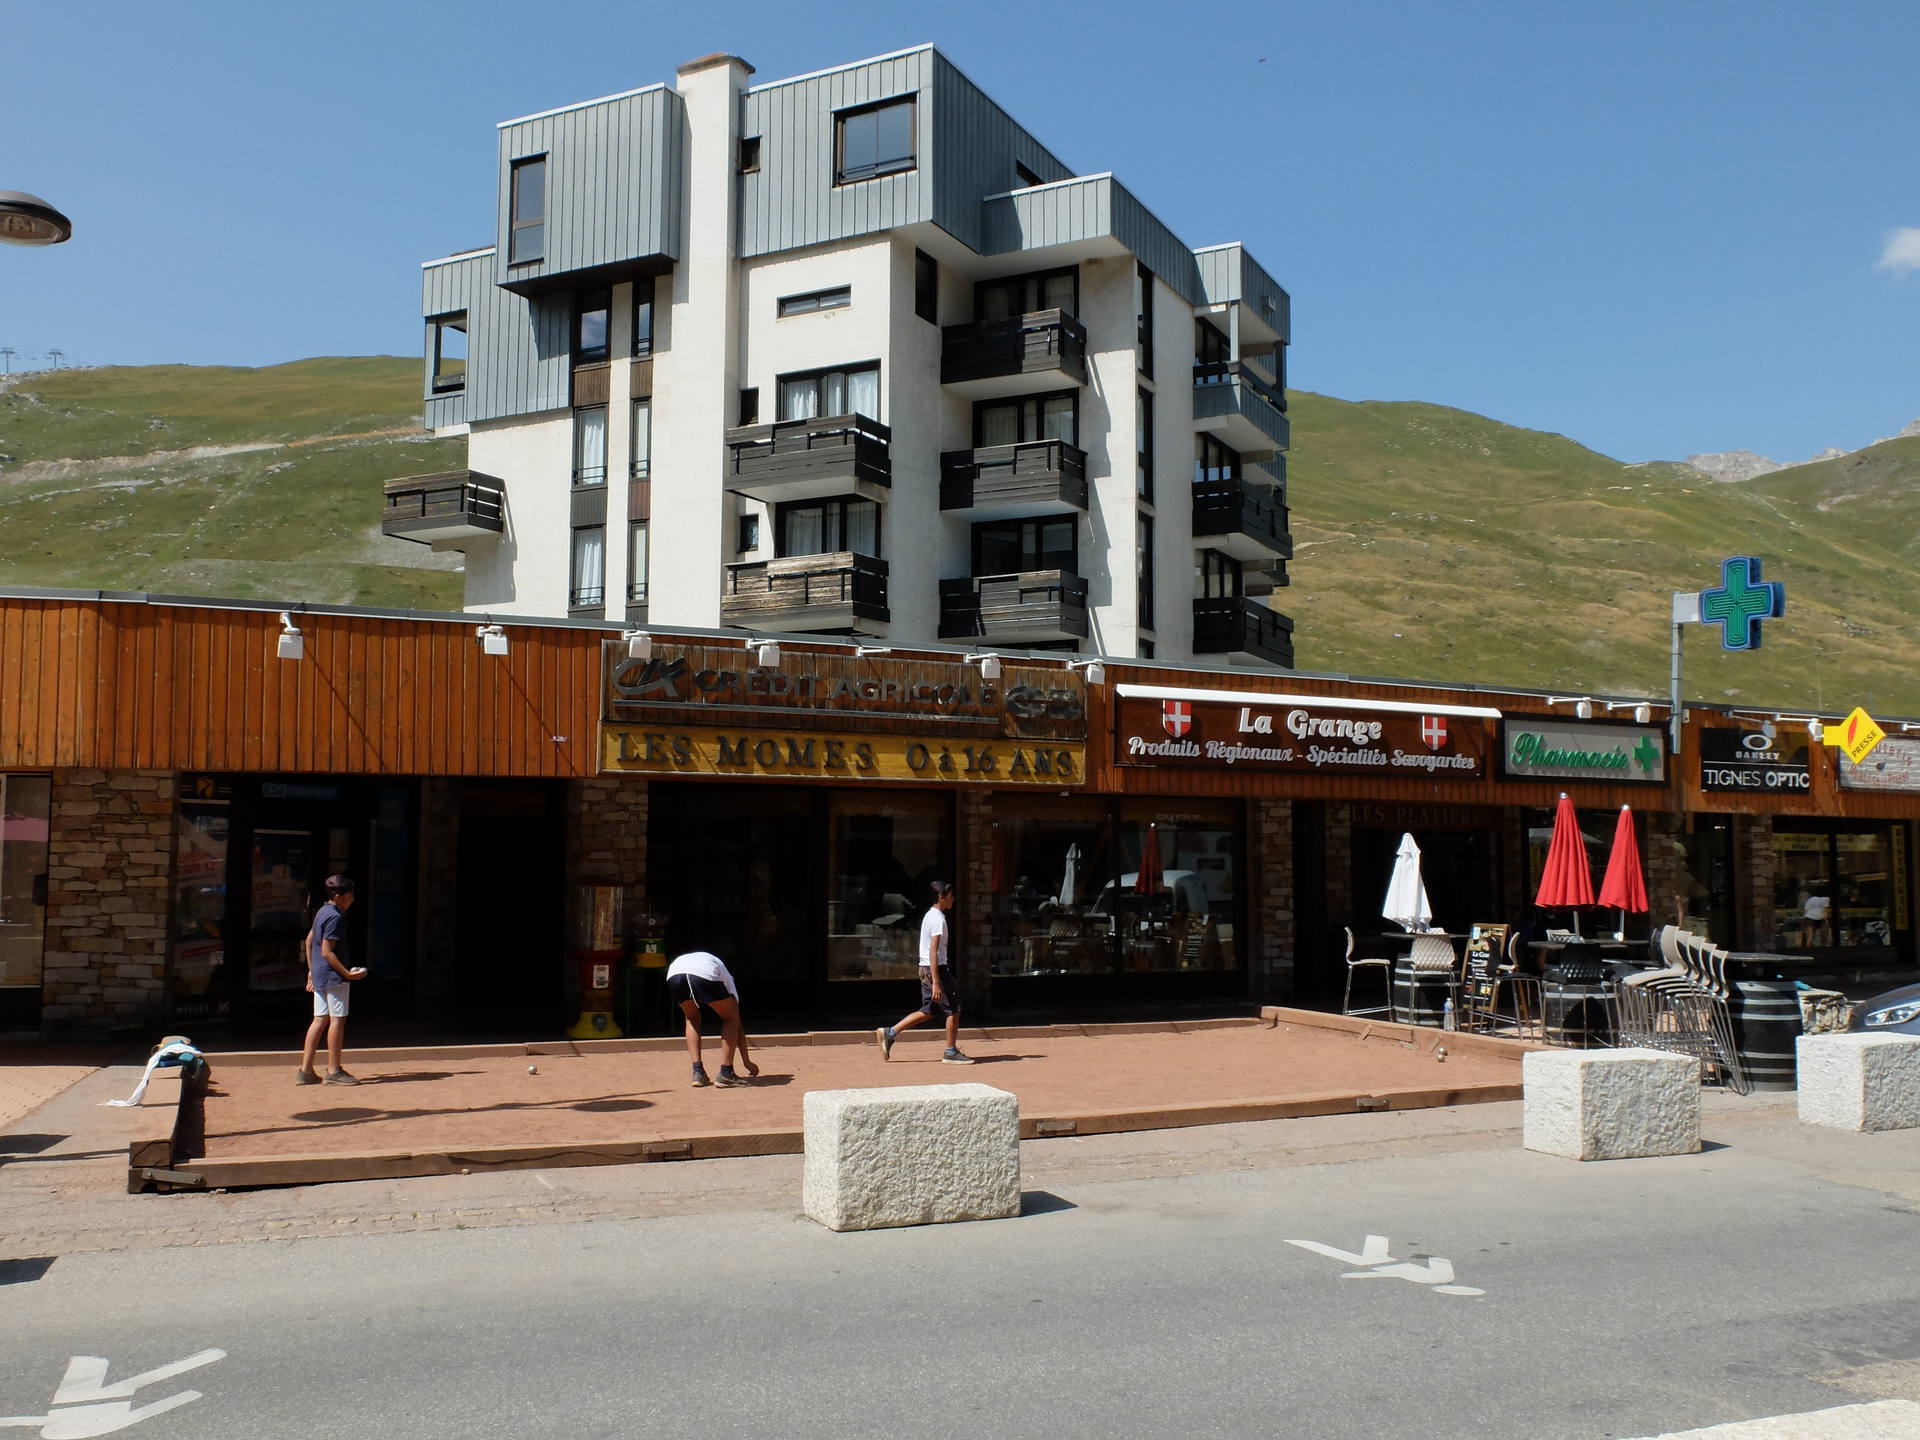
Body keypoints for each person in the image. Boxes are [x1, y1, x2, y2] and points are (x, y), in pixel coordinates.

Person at [875, 881, 974, 1064]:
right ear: (941, 897)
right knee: (954, 1009)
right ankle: (950, 1051)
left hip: (925, 968)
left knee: (929, 1010)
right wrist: (936, 981)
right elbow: (933, 951)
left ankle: (890, 1033)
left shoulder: (930, 915)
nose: (953, 898)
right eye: (950, 895)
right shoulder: (938, 919)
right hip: (936, 969)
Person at [298, 876, 367, 1086]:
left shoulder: (322, 911)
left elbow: (310, 941)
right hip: (333, 976)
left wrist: (311, 970)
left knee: (319, 1019)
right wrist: (347, 973)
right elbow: (327, 951)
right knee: (337, 1019)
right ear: (339, 896)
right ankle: (334, 1069)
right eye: (350, 895)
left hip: (320, 974)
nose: (352, 899)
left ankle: (305, 1070)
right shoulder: (335, 916)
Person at [665, 950, 759, 1088]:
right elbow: (736, 1023)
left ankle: (698, 1072)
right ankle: (726, 1073)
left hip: (674, 973)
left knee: (691, 1018)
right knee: (731, 1017)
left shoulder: (714, 965)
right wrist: (747, 1061)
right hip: (703, 973)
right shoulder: (729, 982)